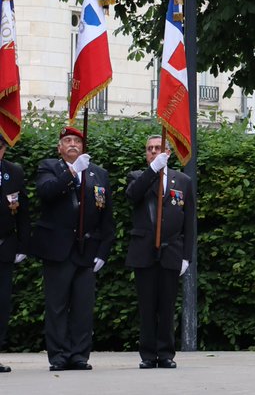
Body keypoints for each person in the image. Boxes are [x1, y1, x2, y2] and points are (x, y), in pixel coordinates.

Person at [31, 126, 114, 371]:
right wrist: (71, 172)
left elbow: (106, 217)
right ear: (59, 147)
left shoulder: (99, 174)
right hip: (57, 249)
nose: (72, 144)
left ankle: (79, 355)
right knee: (56, 306)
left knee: (83, 307)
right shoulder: (49, 168)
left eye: (77, 141)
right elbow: (46, 193)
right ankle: (58, 356)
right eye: (67, 140)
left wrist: (103, 251)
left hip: (86, 250)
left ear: (83, 147)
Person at [125, 135, 194, 369]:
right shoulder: (137, 177)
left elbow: (189, 222)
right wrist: (153, 170)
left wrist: (187, 255)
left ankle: (165, 353)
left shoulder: (182, 181)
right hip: (144, 251)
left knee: (166, 306)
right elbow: (133, 195)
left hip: (171, 251)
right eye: (149, 149)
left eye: (158, 148)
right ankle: (147, 355)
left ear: (168, 152)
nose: (153, 152)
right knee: (147, 306)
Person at [0, 138, 29, 373]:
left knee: (2, 303)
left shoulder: (14, 172)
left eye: (0, 147)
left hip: (5, 246)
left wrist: (22, 245)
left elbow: (23, 212)